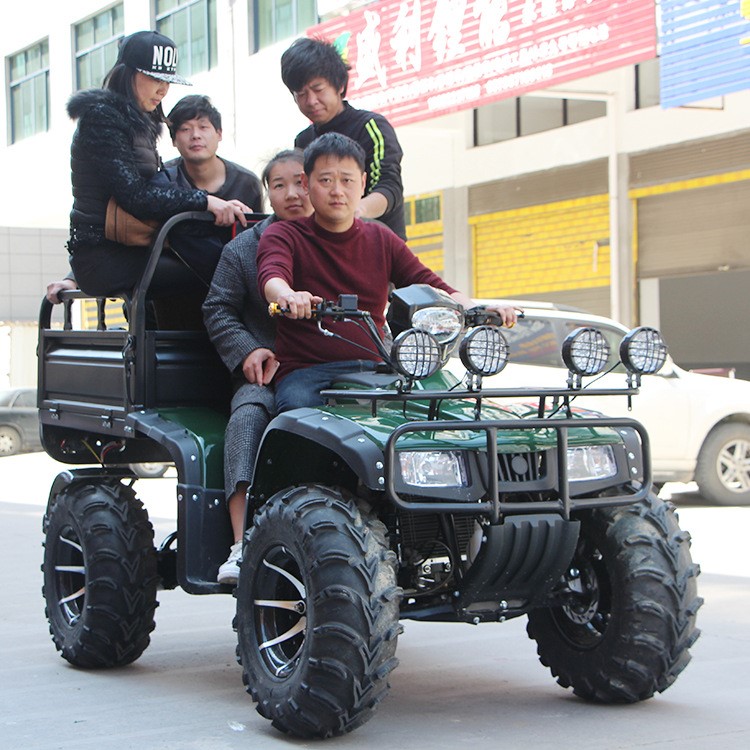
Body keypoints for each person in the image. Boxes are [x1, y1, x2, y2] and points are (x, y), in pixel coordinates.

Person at [256, 132, 520, 413]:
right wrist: (288, 296)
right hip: (308, 373)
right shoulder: (284, 234)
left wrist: (476, 307)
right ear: (307, 184)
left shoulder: (381, 237)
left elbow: (430, 282)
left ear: (363, 184)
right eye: (325, 180)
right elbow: (272, 275)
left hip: (378, 369)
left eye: (347, 180)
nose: (337, 190)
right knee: (297, 415)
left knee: (445, 411)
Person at [63, 30, 249, 301]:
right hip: (104, 255)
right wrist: (206, 201)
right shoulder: (103, 118)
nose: (163, 89)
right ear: (128, 75)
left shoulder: (136, 122)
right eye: (154, 78)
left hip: (134, 246)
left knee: (225, 263)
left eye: (167, 81)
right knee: (224, 274)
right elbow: (136, 196)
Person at [203, 149, 313, 584]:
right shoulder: (243, 248)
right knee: (247, 415)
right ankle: (241, 541)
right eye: (279, 184)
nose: (292, 193)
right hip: (269, 375)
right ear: (267, 192)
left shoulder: (342, 238)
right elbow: (218, 308)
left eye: (301, 181)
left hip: (339, 372)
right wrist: (247, 350)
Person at [281, 36, 407, 240]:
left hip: (377, 243)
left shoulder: (371, 127)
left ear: (339, 86)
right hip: (325, 247)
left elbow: (389, 186)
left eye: (318, 89)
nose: (311, 101)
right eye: (301, 94)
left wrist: (356, 211)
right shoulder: (302, 141)